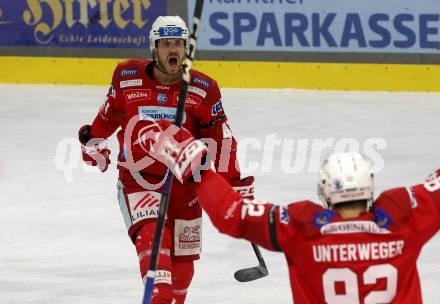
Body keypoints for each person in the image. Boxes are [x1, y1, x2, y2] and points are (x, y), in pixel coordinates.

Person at [150, 122, 440, 303]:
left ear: (326, 191)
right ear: (369, 187)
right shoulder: (402, 216)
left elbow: (233, 215)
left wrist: (199, 170)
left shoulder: (303, 226)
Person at [78, 16, 253, 304]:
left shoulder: (204, 88)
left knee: (182, 271)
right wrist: (94, 141)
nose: (173, 50)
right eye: (166, 44)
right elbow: (109, 115)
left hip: (186, 185)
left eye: (179, 44)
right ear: (154, 49)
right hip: (140, 181)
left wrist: (235, 183)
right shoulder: (126, 76)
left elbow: (222, 139)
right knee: (157, 269)